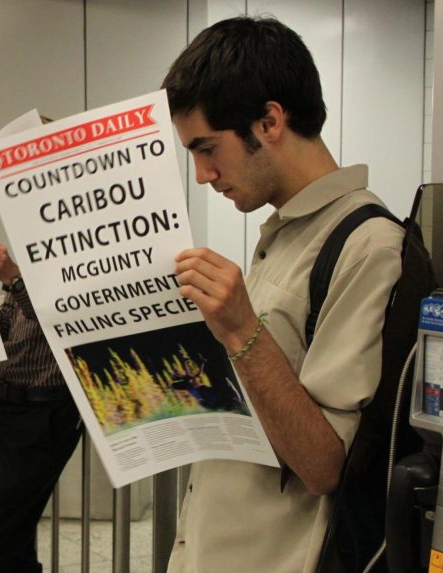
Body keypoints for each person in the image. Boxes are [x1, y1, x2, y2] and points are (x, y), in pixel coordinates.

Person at [161, 17, 403, 572]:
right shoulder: (284, 233)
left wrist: (242, 329)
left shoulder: (368, 247)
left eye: (207, 148)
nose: (201, 174)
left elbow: (323, 465)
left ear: (270, 121)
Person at [0, 240, 83, 573]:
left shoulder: (85, 263)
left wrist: (14, 277)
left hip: (43, 414)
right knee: (11, 537)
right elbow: (11, 327)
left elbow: (65, 325)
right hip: (0, 405)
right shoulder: (34, 259)